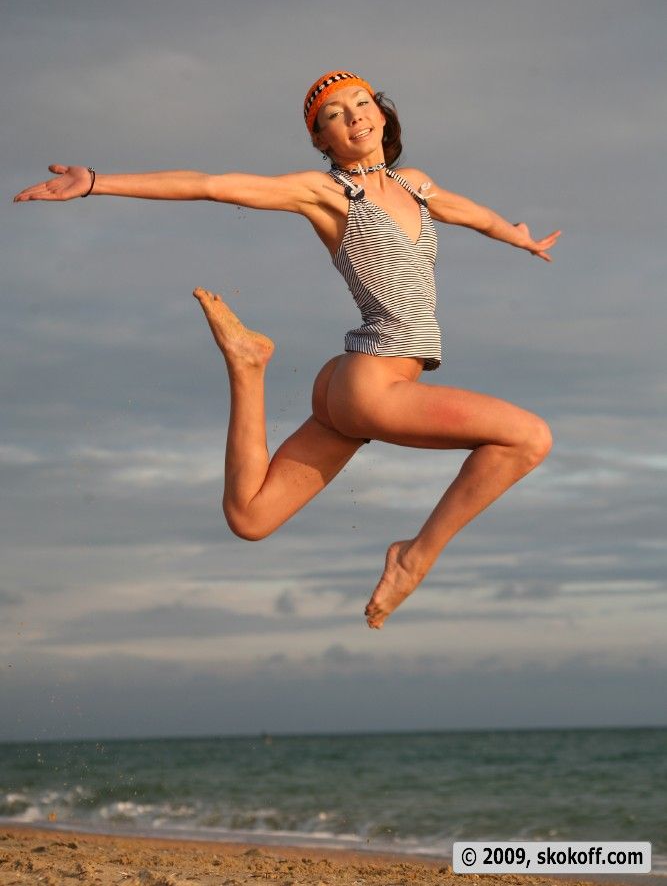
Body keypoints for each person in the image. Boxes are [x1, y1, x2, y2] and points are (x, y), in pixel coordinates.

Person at [13, 69, 561, 629]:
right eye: (334, 116)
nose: (353, 116)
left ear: (381, 113)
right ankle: (414, 557)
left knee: (250, 517)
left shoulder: (415, 185)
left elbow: (471, 214)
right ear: (321, 140)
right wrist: (96, 181)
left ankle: (247, 366)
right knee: (528, 438)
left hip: (347, 383)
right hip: (372, 387)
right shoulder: (326, 193)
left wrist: (516, 236)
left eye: (361, 103)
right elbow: (211, 184)